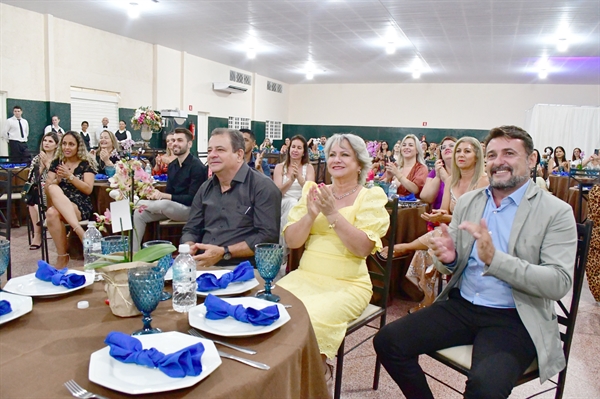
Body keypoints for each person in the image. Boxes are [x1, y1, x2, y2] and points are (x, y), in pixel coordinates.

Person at [374, 125, 578, 399]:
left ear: (531, 160)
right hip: (462, 305)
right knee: (388, 341)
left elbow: (558, 283)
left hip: (515, 317)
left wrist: (497, 260)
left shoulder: (556, 212)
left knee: (484, 387)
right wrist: (449, 257)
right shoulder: (470, 202)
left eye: (509, 153)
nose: (498, 161)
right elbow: (450, 264)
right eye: (492, 155)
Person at [277, 133, 389, 387]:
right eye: (332, 155)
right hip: (304, 276)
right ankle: (281, 378)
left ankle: (316, 379)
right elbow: (293, 242)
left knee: (310, 315)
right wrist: (311, 215)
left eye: (345, 154)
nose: (336, 159)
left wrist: (331, 213)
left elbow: (362, 249)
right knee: (271, 307)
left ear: (360, 163)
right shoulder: (313, 191)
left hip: (347, 283)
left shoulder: (370, 197)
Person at [380, 137, 488, 312]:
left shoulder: (483, 181)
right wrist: (438, 215)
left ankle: (404, 247)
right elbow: (444, 210)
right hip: (451, 230)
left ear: (477, 155)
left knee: (437, 238)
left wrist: (446, 219)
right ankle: (428, 298)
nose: (461, 155)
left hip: (473, 234)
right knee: (429, 248)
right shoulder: (452, 180)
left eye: (467, 151)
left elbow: (478, 218)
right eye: (458, 151)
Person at [181, 128, 281, 267]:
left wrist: (224, 252)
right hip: (203, 265)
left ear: (239, 154)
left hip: (244, 270)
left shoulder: (262, 187)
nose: (212, 155)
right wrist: (188, 246)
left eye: (220, 150)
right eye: (210, 150)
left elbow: (267, 238)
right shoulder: (205, 188)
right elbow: (191, 229)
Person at [133, 128, 208, 252]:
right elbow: (169, 192)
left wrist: (164, 196)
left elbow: (192, 199)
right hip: (172, 208)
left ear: (189, 144)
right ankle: (134, 253)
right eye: (173, 140)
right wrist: (155, 195)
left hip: (190, 211)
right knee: (139, 214)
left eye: (179, 140)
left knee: (164, 203)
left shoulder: (197, 167)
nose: (175, 143)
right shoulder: (172, 166)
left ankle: (134, 202)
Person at [45, 132, 97, 268]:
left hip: (79, 204)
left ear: (78, 147)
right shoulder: (57, 163)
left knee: (52, 213)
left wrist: (70, 177)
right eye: (64, 143)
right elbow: (47, 188)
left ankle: (62, 258)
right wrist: (58, 180)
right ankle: (79, 230)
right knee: (52, 195)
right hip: (58, 201)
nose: (67, 147)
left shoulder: (86, 163)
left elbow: (88, 189)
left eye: (71, 144)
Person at [273, 135, 316, 256]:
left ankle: (291, 249)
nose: (295, 150)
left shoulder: (309, 168)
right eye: (293, 147)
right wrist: (290, 180)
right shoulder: (280, 167)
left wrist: (300, 178)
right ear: (289, 149)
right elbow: (277, 193)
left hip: (303, 201)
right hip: (284, 201)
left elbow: (311, 190)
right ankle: (286, 248)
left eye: (299, 148)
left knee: (300, 206)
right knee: (292, 204)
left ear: (303, 152)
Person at [27, 132, 59, 250]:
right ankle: (38, 234)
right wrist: (40, 167)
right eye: (45, 140)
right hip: (39, 189)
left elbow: (59, 178)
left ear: (56, 145)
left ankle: (43, 223)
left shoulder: (59, 159)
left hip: (54, 188)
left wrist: (48, 164)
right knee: (33, 199)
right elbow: (31, 180)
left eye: (50, 141)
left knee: (37, 200)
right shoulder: (37, 158)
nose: (46, 143)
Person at [418, 136, 457, 209]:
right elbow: (425, 198)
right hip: (436, 217)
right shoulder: (434, 172)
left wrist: (446, 179)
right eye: (443, 147)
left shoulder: (464, 172)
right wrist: (438, 177)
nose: (447, 148)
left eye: (451, 146)